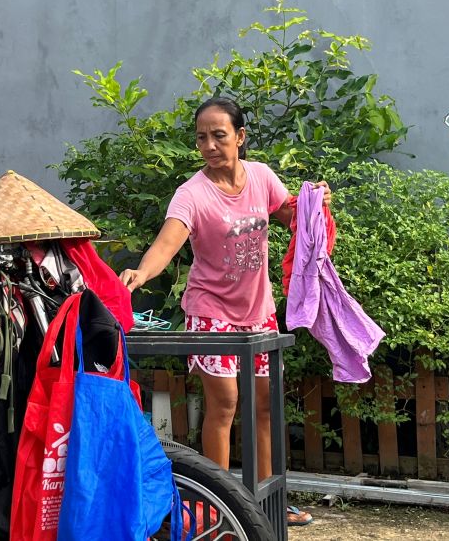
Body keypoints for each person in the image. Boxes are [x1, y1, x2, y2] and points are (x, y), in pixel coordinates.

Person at [119, 97, 329, 527]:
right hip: (210, 310)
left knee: (266, 405)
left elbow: (290, 212)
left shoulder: (261, 177)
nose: (210, 145)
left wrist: (313, 200)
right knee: (226, 403)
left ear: (240, 137)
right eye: (202, 137)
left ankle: (268, 501)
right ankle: (218, 503)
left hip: (258, 311)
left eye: (219, 135)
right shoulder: (192, 194)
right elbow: (168, 241)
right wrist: (141, 273)